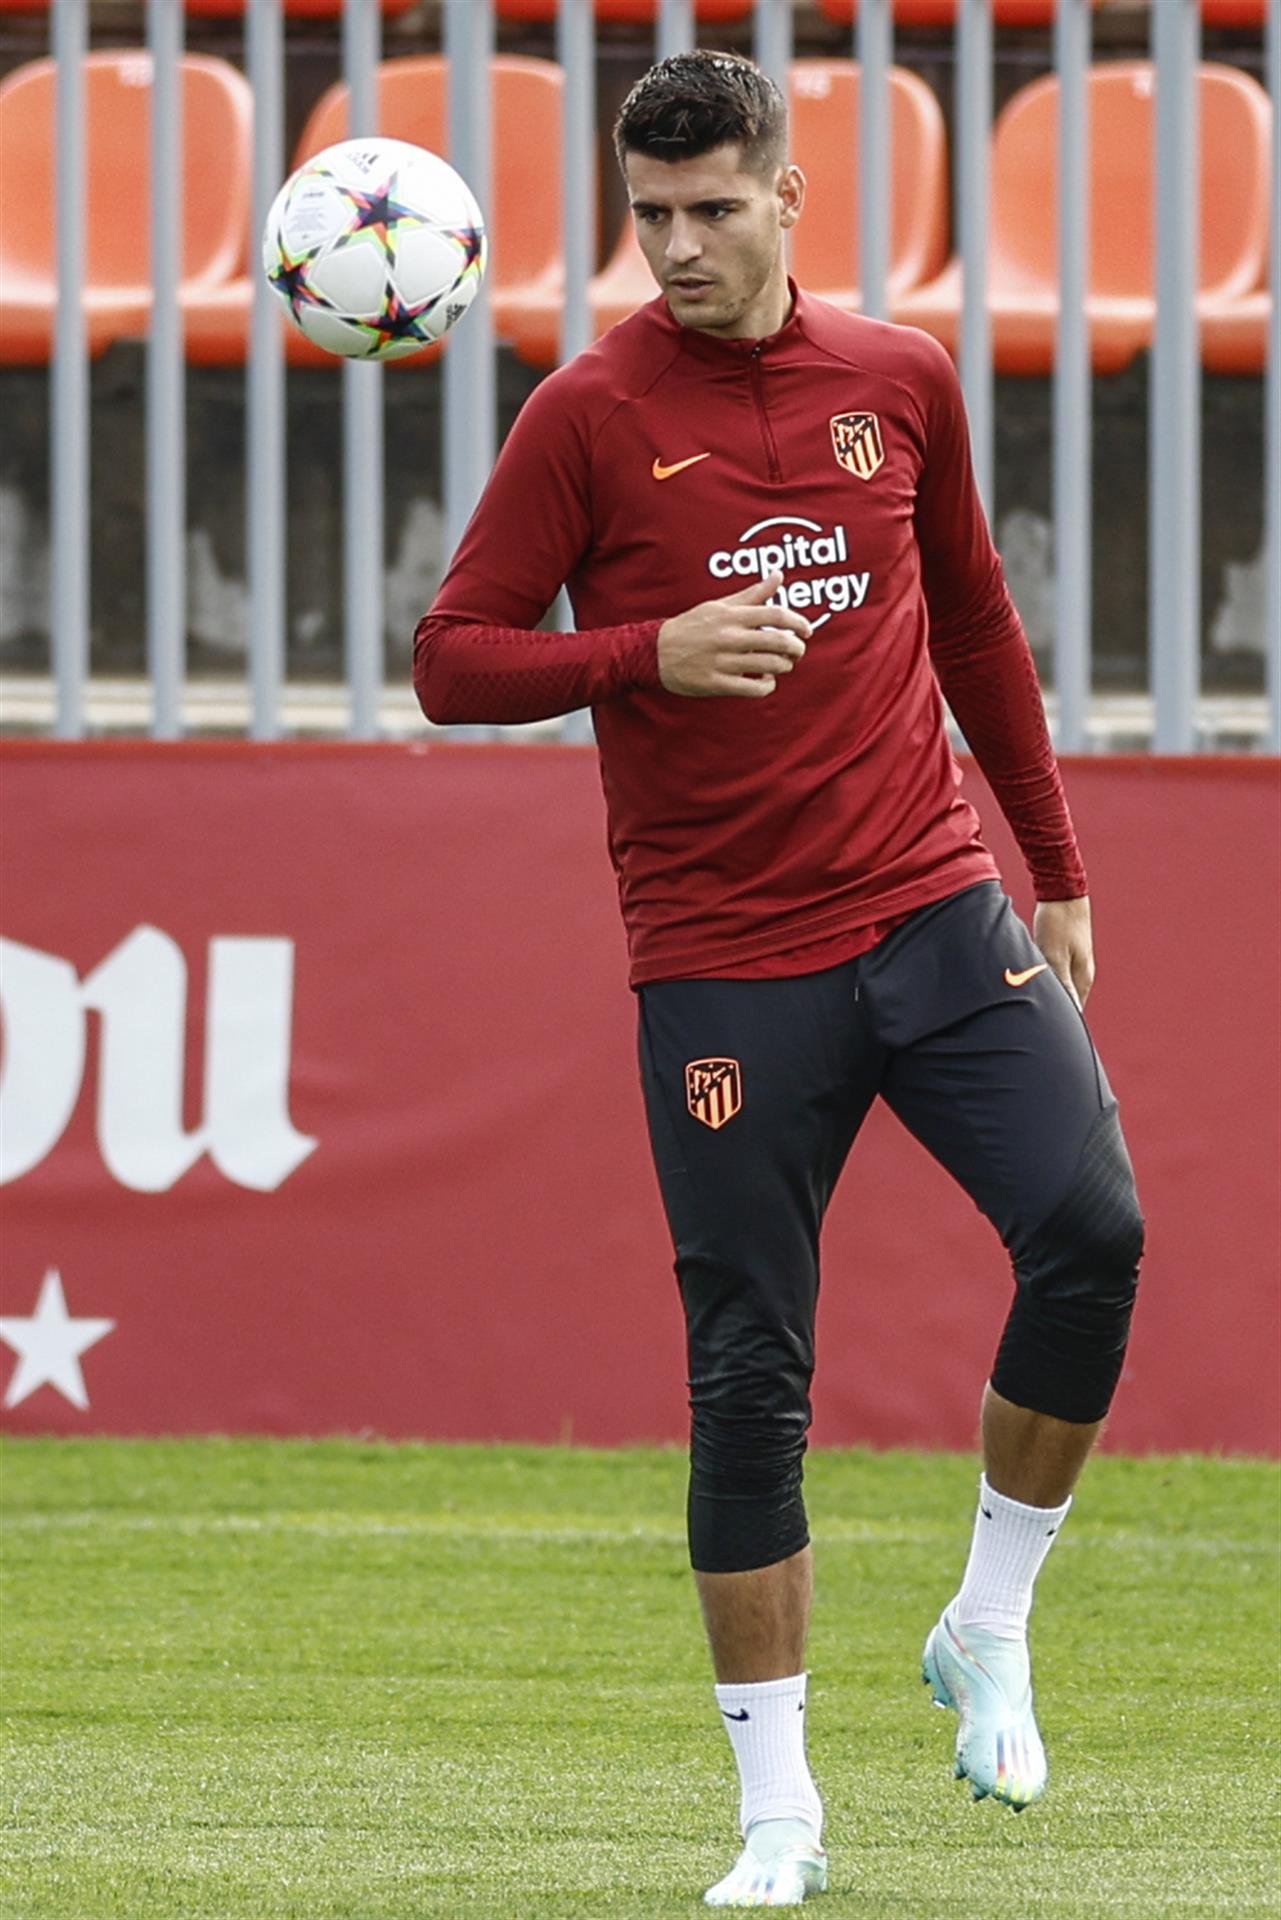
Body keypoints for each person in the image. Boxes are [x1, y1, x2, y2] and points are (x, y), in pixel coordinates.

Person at [414, 50, 1144, 1910]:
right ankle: (779, 1817)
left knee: (1094, 1227)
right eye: (648, 215)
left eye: (712, 210)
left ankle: (988, 1621)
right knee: (750, 1378)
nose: (675, 249)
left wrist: (1048, 862)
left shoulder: (896, 378)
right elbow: (452, 658)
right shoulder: (585, 414)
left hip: (931, 903)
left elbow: (972, 613)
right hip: (726, 964)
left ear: (790, 197)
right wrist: (647, 650)